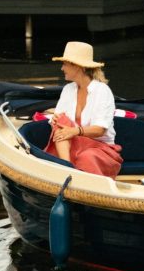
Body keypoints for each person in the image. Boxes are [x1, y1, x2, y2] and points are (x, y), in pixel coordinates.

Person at [44, 41, 123, 178]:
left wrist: (75, 131)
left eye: (65, 64)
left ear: (77, 66)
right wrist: (55, 119)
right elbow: (59, 125)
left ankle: (71, 175)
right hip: (69, 148)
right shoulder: (68, 90)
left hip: (100, 148)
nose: (62, 68)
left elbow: (100, 130)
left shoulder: (102, 91)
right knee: (61, 120)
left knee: (87, 157)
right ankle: (66, 166)